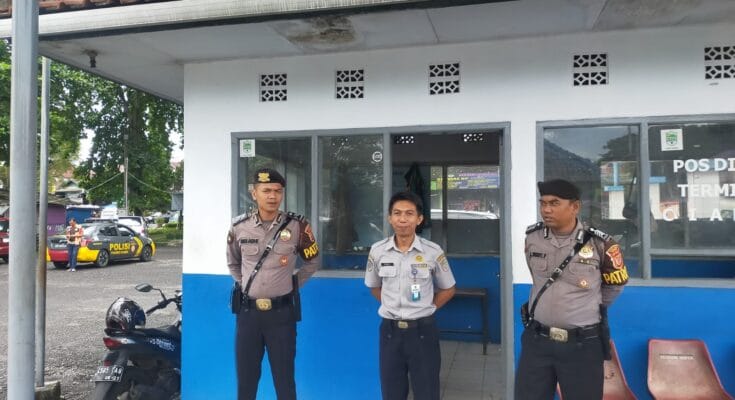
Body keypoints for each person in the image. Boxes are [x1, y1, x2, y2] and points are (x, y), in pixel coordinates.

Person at [515, 179, 630, 400]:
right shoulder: (533, 238)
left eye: (554, 203)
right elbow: (538, 278)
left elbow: (614, 286)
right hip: (538, 340)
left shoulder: (600, 244)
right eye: (543, 203)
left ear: (575, 207)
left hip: (582, 344)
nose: (546, 209)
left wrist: (582, 308)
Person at [226, 168, 320, 400]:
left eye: (277, 191)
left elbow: (313, 261)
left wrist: (291, 285)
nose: (272, 196)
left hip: (281, 316)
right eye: (266, 190)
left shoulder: (297, 226)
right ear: (254, 193)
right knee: (246, 382)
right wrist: (247, 286)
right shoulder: (239, 227)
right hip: (248, 315)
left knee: (285, 382)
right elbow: (233, 262)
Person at [364, 191, 456, 400]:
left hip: (423, 332)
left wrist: (426, 308)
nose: (402, 219)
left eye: (409, 213)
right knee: (392, 393)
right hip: (390, 333)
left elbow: (448, 289)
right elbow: (374, 287)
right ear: (390, 218)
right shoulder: (378, 251)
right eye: (397, 213)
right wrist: (393, 305)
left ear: (419, 219)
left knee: (427, 392)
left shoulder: (432, 251)